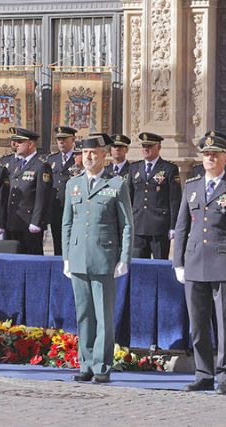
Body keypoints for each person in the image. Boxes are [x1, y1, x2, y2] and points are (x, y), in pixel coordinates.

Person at [173, 134, 226, 395]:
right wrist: (178, 261)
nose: (210, 158)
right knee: (197, 325)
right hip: (195, 262)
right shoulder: (192, 186)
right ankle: (203, 373)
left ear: (225, 157)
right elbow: (182, 225)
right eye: (207, 154)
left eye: (216, 154)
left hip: (224, 262)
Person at [61, 134, 133, 384]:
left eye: (94, 152)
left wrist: (124, 257)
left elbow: (126, 225)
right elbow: (67, 224)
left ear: (105, 154)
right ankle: (86, 364)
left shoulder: (116, 184)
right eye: (85, 153)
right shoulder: (73, 184)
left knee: (103, 315)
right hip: (79, 257)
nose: (89, 157)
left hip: (104, 258)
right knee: (83, 314)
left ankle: (102, 366)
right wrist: (66, 257)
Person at [128, 132, 181, 259]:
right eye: (144, 146)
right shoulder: (134, 168)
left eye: (150, 146)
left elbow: (174, 199)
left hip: (159, 226)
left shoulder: (169, 168)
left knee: (159, 263)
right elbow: (129, 197)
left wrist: (173, 226)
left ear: (159, 147)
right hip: (138, 224)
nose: (146, 149)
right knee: (138, 264)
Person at [5, 127, 52, 255]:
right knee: (13, 257)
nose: (16, 145)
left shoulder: (41, 165)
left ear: (30, 144)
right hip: (14, 220)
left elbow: (42, 197)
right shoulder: (15, 165)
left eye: (20, 142)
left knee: (32, 256)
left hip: (29, 222)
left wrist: (36, 222)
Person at [47, 126, 77, 255]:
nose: (61, 142)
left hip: (74, 208)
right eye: (59, 139)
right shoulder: (52, 159)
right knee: (58, 245)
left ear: (73, 139)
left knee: (74, 244)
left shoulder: (79, 158)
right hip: (56, 208)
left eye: (64, 139)